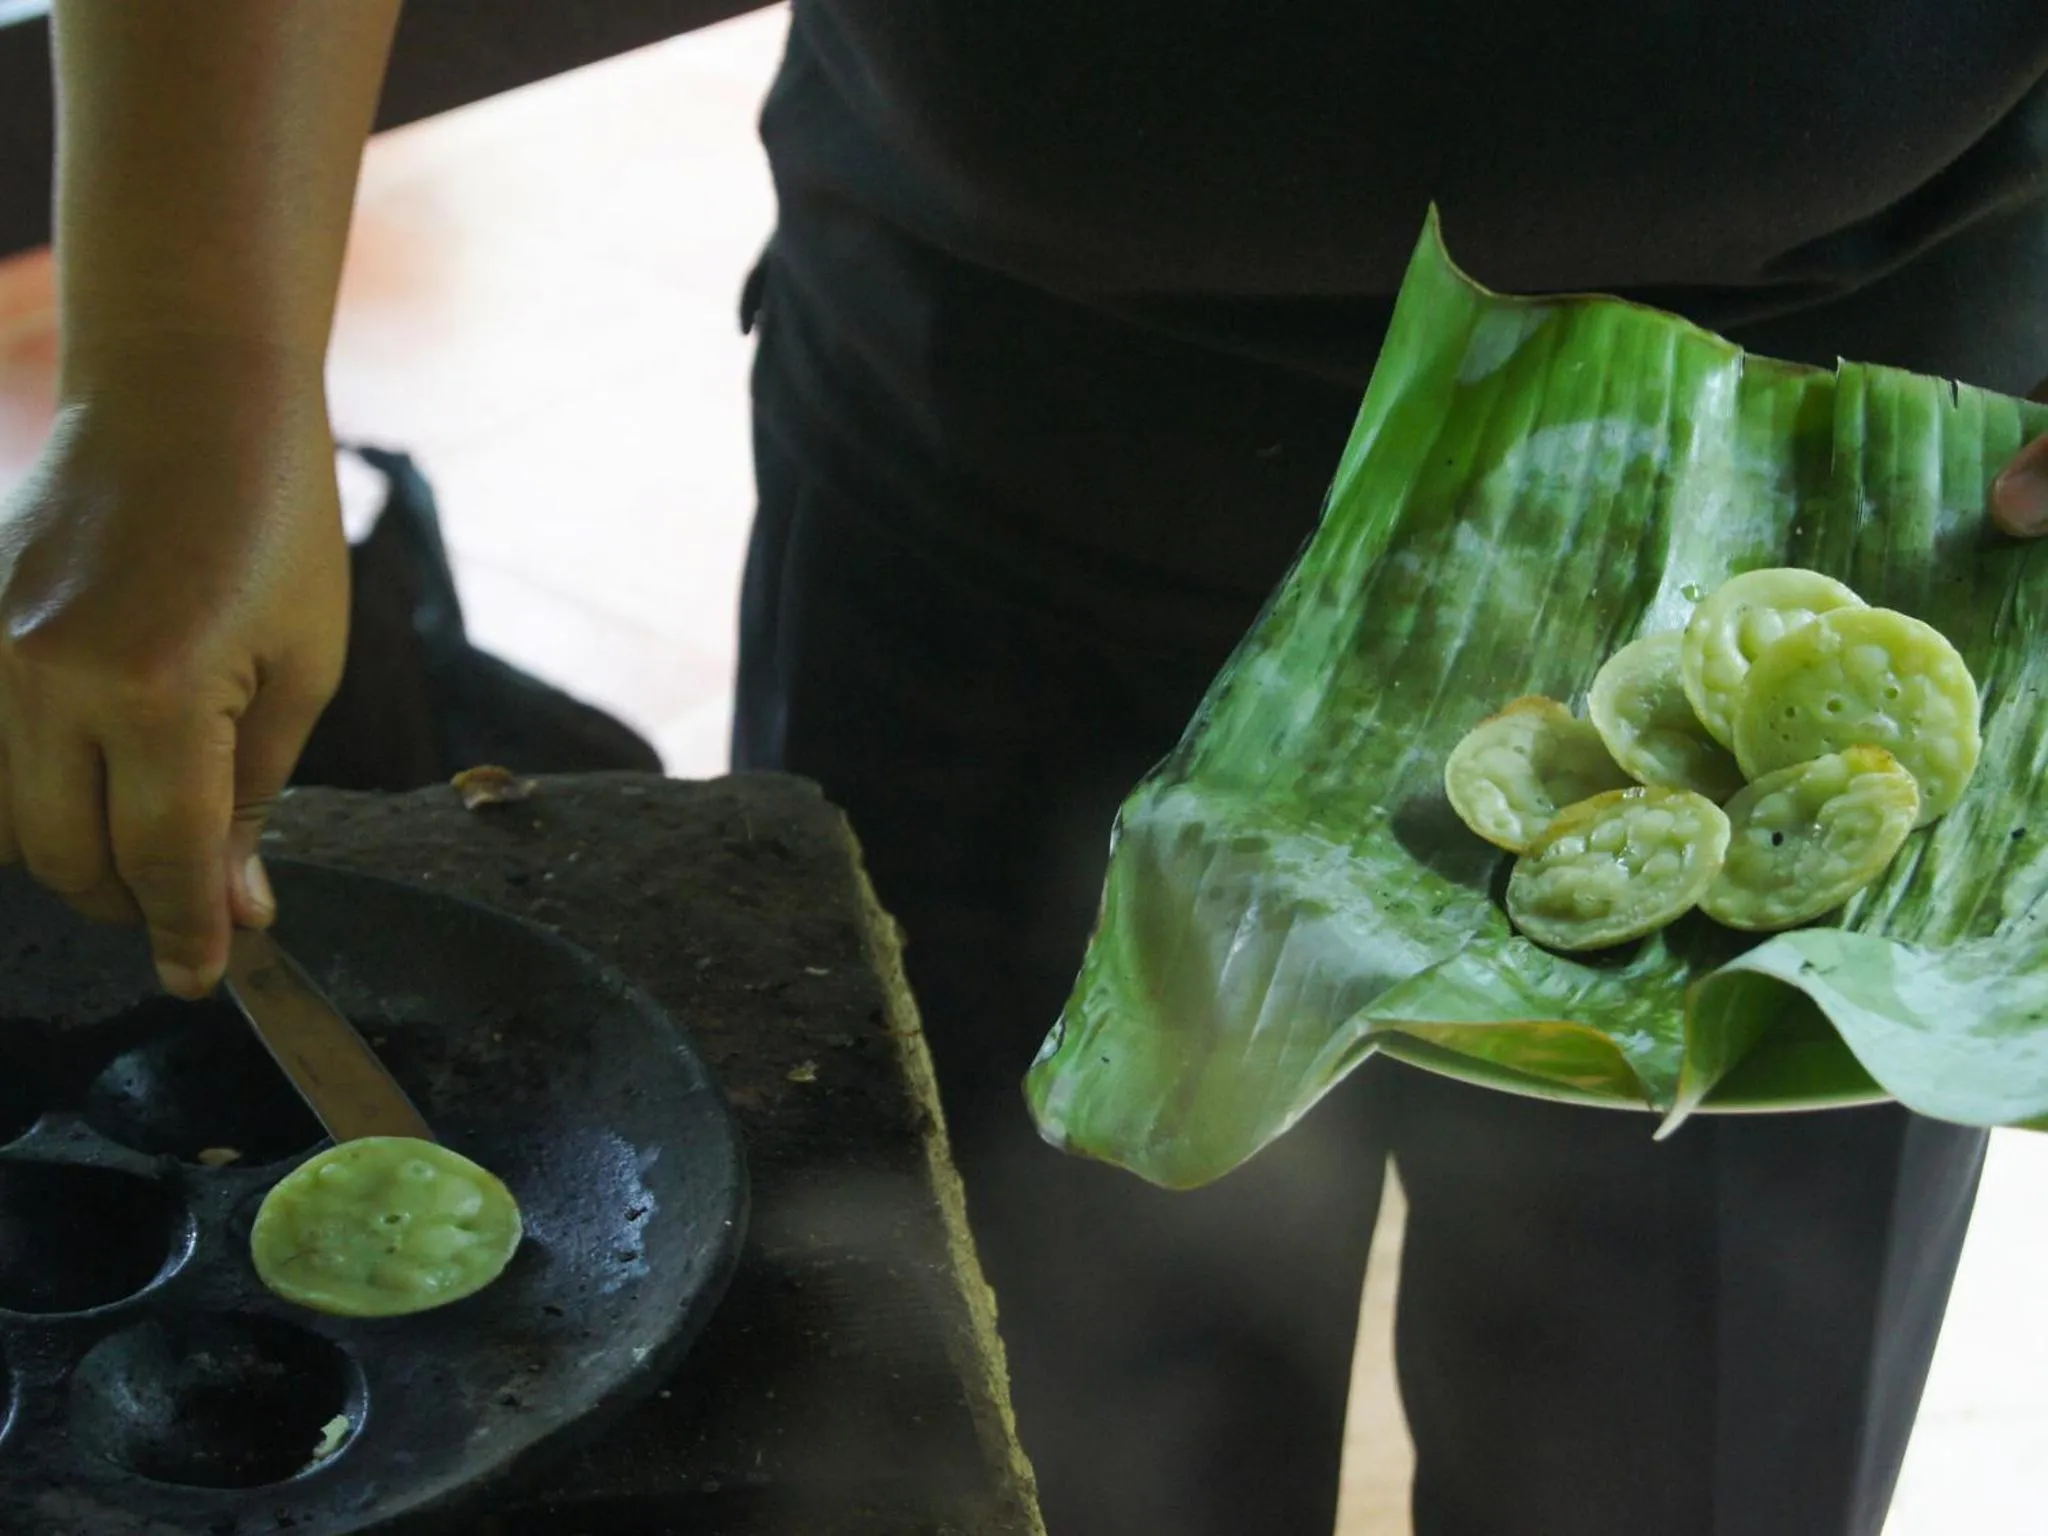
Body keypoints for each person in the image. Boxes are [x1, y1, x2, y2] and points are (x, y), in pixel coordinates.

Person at [3, 4, 2045, 1532]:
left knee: (1688, 1469)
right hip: (995, 446)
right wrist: (192, 369)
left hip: (1816, 549)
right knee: (987, 1444)